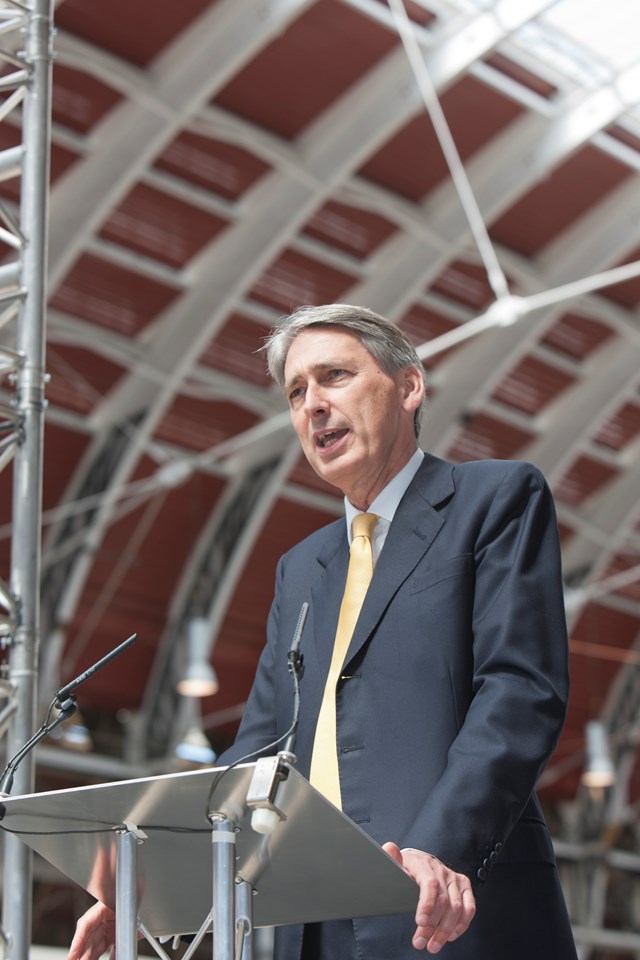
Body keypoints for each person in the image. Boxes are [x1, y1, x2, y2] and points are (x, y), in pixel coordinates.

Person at [69, 304, 577, 960]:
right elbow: (258, 751)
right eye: (296, 392)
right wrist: (145, 886)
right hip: (311, 925)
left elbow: (518, 693)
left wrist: (441, 847)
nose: (312, 404)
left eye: (334, 376)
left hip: (446, 904)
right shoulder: (302, 567)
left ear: (409, 386)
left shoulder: (494, 500)